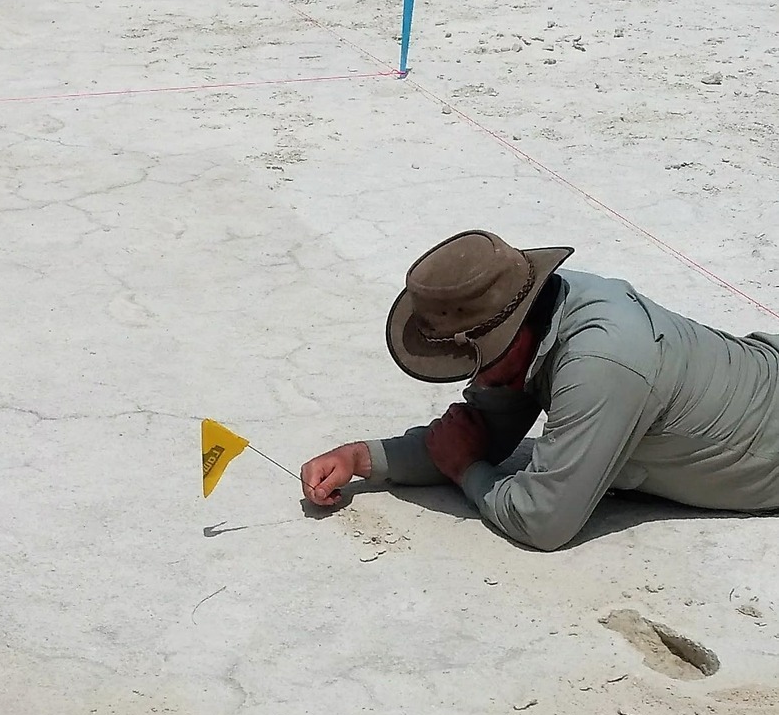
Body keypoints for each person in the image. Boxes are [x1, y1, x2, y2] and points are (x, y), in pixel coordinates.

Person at [300, 229, 779, 549]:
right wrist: (362, 459)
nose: (476, 380)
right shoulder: (528, 314)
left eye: (479, 359)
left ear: (517, 326)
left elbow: (544, 521)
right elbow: (474, 433)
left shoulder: (600, 361)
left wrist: (469, 471)